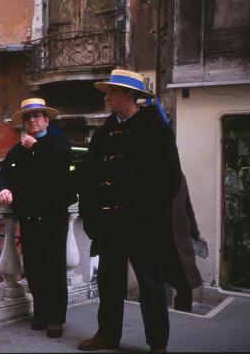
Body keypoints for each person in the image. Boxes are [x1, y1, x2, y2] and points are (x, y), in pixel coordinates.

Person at [77, 69, 182, 352]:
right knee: (109, 284)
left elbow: (171, 180)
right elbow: (88, 179)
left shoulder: (156, 129)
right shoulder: (104, 133)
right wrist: (91, 215)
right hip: (110, 224)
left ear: (129, 95)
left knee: (151, 285)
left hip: (143, 225)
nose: (108, 97)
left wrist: (145, 212)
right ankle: (107, 335)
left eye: (112, 92)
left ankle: (158, 343)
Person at [0, 98, 77, 338]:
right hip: (29, 216)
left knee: (53, 266)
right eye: (28, 118)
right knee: (34, 266)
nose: (32, 121)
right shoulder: (17, 150)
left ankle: (55, 319)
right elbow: (4, 176)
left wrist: (35, 148)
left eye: (37, 116)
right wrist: (3, 189)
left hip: (53, 215)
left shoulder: (58, 142)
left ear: (46, 120)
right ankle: (40, 313)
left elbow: (61, 165)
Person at [163, 173, 202, 312]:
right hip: (162, 239)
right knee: (157, 281)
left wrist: (194, 229)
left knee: (185, 283)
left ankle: (184, 313)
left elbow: (187, 204)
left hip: (180, 237)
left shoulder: (180, 177)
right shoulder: (152, 176)